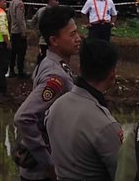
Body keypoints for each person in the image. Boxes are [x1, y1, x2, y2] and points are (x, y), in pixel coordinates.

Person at [13, 5, 81, 181]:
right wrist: (48, 163)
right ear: (54, 40)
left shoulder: (51, 62)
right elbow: (24, 117)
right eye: (72, 34)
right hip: (41, 175)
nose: (78, 39)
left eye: (77, 33)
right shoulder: (55, 75)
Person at [46, 39, 122, 181]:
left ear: (80, 68)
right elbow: (121, 174)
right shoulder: (105, 124)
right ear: (112, 74)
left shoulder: (55, 107)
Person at [31, 0, 59, 64]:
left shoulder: (56, 12)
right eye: (56, 0)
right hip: (45, 40)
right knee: (44, 56)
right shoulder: (44, 11)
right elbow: (33, 22)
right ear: (50, 1)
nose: (58, 3)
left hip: (51, 39)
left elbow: (33, 23)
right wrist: (39, 32)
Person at [9, 0, 28, 78]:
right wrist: (23, 32)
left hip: (13, 31)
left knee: (13, 52)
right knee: (21, 52)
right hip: (19, 32)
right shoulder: (20, 4)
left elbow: (9, 16)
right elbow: (20, 19)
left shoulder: (12, 2)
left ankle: (11, 70)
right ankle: (20, 72)